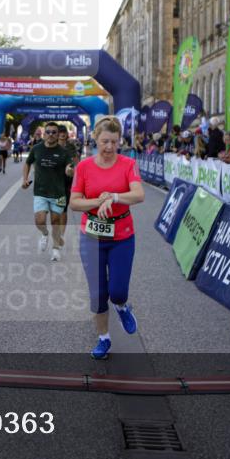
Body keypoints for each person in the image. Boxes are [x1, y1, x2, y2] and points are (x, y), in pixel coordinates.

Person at [69, 115, 145, 360]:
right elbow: (75, 203)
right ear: (95, 140)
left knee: (118, 291)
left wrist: (113, 197)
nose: (109, 147)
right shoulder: (84, 167)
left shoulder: (128, 164)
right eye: (104, 142)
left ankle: (122, 306)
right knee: (98, 293)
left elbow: (139, 194)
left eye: (114, 142)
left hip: (122, 235)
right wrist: (99, 201)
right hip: (91, 236)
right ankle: (103, 338)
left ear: (119, 141)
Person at [23, 122, 74, 262]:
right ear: (44, 134)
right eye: (48, 132)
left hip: (59, 193)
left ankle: (56, 249)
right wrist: (25, 179)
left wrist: (69, 171)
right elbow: (27, 162)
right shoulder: (37, 149)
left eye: (54, 132)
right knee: (39, 220)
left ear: (58, 135)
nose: (51, 134)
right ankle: (44, 234)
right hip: (40, 191)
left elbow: (69, 168)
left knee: (55, 220)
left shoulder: (64, 152)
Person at [57, 125, 81, 247]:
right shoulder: (51, 145)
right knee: (54, 211)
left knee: (63, 210)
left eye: (63, 132)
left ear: (66, 134)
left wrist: (76, 171)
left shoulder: (71, 146)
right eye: (60, 132)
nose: (62, 134)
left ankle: (61, 235)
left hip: (68, 180)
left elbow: (77, 161)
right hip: (53, 182)